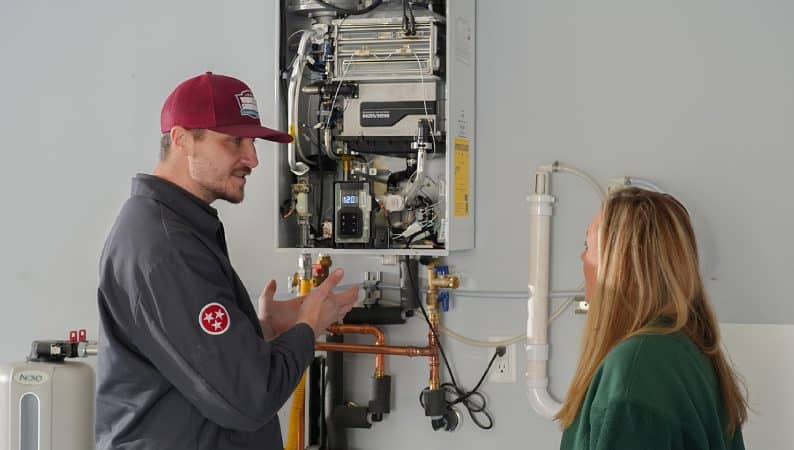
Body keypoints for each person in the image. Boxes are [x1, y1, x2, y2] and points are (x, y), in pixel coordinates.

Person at [95, 72, 358, 450]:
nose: (252, 158)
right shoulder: (167, 247)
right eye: (235, 141)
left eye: (253, 142)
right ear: (182, 140)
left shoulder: (174, 227)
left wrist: (260, 329)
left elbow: (194, 361)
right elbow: (250, 398)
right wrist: (307, 326)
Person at [558, 187, 747, 450]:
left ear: (621, 265)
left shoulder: (633, 368)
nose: (582, 258)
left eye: (587, 246)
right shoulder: (687, 348)